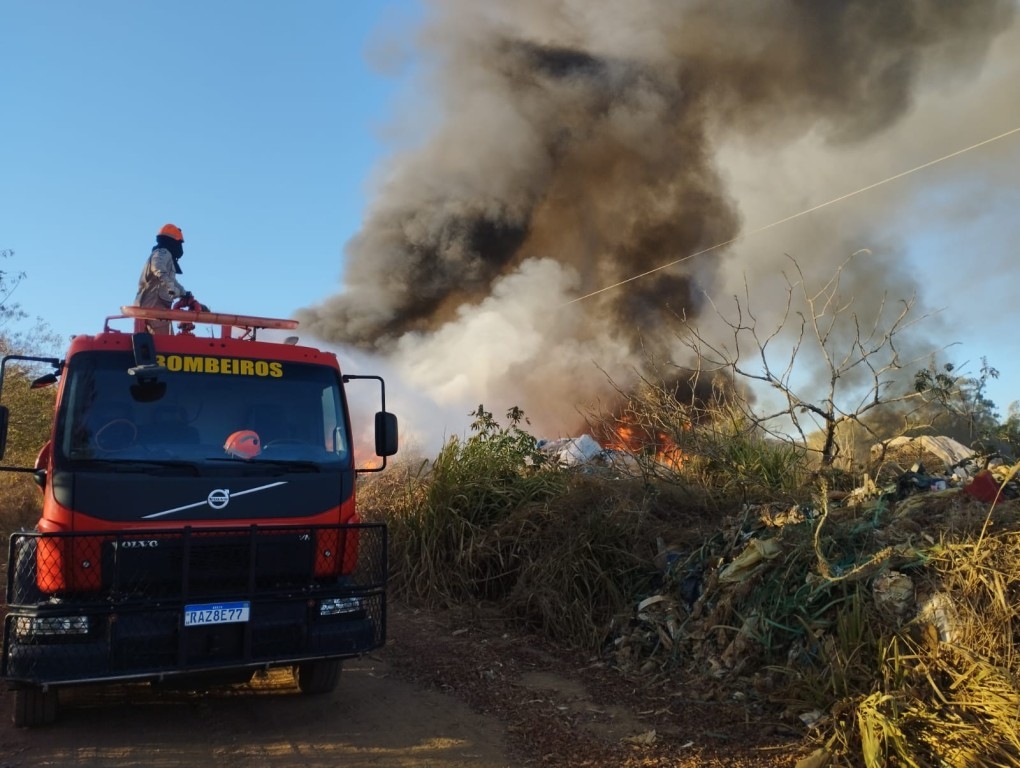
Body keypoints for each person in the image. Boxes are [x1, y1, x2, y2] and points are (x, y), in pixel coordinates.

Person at [135, 223, 189, 334]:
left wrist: (184, 293)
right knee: (165, 345)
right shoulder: (162, 253)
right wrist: (171, 288)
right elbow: (158, 268)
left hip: (155, 310)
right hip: (154, 308)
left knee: (162, 345)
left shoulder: (164, 256)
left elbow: (170, 280)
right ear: (173, 242)